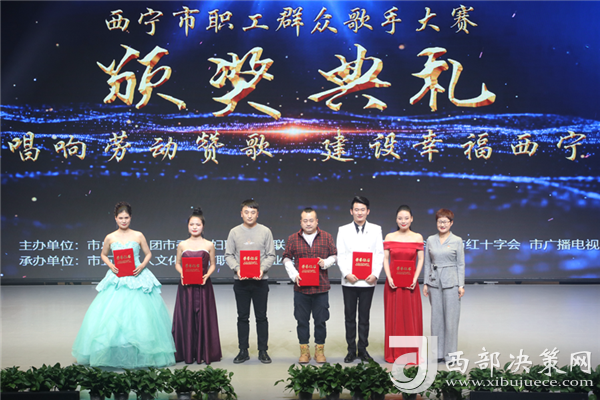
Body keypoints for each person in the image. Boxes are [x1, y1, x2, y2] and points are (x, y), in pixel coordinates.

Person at [72, 202, 175, 368]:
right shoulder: (110, 237)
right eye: (120, 218)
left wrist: (142, 266)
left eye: (126, 217)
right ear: (115, 218)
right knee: (113, 315)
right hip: (118, 277)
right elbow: (103, 254)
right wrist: (111, 265)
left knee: (141, 316)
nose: (124, 221)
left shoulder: (138, 235)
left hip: (137, 275)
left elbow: (148, 253)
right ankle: (115, 354)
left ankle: (140, 352)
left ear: (131, 218)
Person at [282, 207, 337, 364]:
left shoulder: (326, 237)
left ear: (317, 221)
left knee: (321, 320)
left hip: (321, 288)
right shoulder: (293, 238)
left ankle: (319, 351)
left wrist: (326, 262)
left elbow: (334, 255)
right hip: (301, 288)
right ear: (301, 222)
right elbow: (286, 257)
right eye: (305, 221)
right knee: (302, 321)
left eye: (311, 220)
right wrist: (294, 274)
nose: (308, 223)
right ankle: (304, 351)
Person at [225, 199, 276, 364]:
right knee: (242, 317)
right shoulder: (234, 232)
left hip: (260, 281)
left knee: (261, 317)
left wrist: (262, 269)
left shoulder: (265, 231)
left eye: (253, 212)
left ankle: (263, 350)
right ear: (241, 214)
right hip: (241, 281)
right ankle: (243, 350)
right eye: (246, 212)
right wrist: (237, 268)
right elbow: (228, 255)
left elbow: (271, 255)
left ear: (257, 214)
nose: (249, 215)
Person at [171, 207, 222, 364]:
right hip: (186, 286)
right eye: (191, 224)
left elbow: (213, 264)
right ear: (187, 226)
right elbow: (177, 264)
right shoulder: (182, 245)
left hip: (203, 286)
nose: (194, 227)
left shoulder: (209, 245)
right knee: (186, 317)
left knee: (203, 318)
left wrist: (207, 275)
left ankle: (204, 352)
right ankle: (186, 352)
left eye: (198, 224)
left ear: (203, 226)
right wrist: (182, 273)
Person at [337, 196, 384, 363]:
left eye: (362, 209)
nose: (359, 213)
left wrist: (375, 274)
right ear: (351, 211)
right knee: (349, 317)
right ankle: (351, 350)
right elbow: (340, 254)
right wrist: (346, 273)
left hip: (368, 280)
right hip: (349, 280)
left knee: (364, 317)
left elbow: (379, 254)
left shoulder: (376, 229)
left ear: (368, 211)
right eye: (356, 209)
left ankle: (363, 349)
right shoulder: (343, 230)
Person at [382, 205, 424, 363]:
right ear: (396, 220)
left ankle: (411, 353)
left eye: (406, 218)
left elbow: (421, 260)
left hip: (410, 284)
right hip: (393, 284)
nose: (403, 221)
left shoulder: (417, 237)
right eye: (400, 218)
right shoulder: (389, 237)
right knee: (395, 318)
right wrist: (389, 277)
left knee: (410, 317)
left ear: (411, 219)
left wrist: (415, 278)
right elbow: (385, 259)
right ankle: (395, 353)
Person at [423, 208, 465, 363]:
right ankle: (437, 353)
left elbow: (460, 264)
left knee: (451, 319)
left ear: (451, 223)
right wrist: (425, 282)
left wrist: (461, 285)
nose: (442, 224)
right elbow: (427, 263)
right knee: (436, 319)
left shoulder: (457, 240)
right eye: (439, 221)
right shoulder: (430, 239)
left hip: (452, 282)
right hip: (434, 282)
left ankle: (451, 355)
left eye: (445, 222)